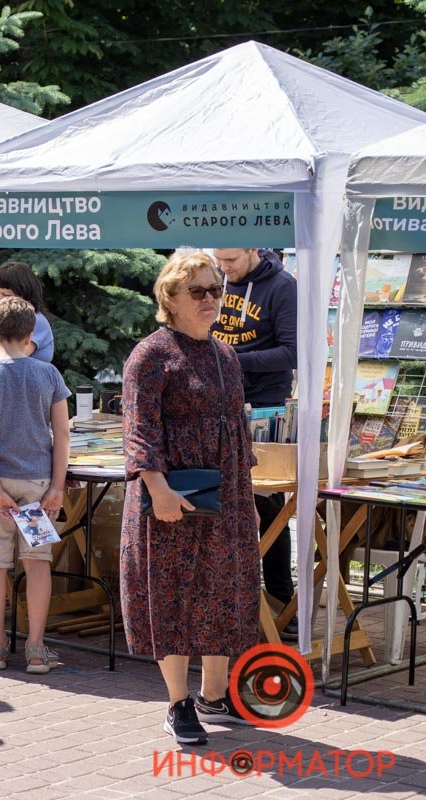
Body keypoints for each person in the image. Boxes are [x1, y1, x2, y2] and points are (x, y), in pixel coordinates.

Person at [121, 251, 260, 746]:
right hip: (174, 495)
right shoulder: (151, 354)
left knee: (221, 590)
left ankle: (214, 695)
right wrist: (157, 489)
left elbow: (233, 426)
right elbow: (139, 431)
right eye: (198, 291)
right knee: (174, 594)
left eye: (216, 290)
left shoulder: (224, 354)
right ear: (170, 299)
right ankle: (178, 703)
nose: (210, 300)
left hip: (227, 496)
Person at [0, 297, 70, 672]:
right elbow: (62, 435)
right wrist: (57, 487)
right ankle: (36, 648)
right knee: (37, 564)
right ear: (30, 336)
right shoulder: (49, 375)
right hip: (39, 484)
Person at [211, 247, 298, 640]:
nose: (224, 268)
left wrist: (232, 359)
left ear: (252, 249)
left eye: (230, 260)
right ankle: (232, 599)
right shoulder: (214, 282)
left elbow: (291, 353)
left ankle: (282, 602)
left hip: (264, 407)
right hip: (217, 400)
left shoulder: (282, 288)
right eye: (219, 260)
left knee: (267, 501)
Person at [0, 261, 55, 368]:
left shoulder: (34, 321)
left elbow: (10, 362)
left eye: (7, 295)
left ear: (24, 295)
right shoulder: (0, 321)